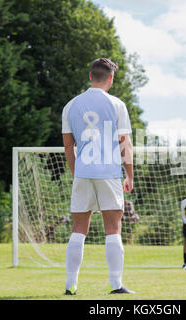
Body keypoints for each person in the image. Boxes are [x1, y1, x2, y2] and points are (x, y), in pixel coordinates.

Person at [62, 58, 135, 295]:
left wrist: (76, 175)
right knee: (113, 228)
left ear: (90, 76)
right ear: (110, 79)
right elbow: (125, 144)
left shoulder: (70, 106)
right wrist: (129, 175)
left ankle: (70, 286)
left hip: (83, 173)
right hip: (109, 173)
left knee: (78, 229)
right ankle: (116, 285)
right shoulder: (117, 105)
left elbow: (68, 148)